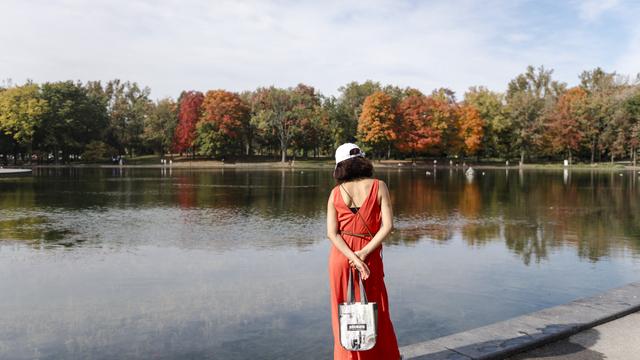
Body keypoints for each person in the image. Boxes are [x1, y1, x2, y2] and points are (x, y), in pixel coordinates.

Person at [326, 143, 400, 360]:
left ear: (340, 166)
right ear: (362, 161)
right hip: (370, 257)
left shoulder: (335, 193)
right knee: (377, 308)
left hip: (341, 258)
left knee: (343, 309)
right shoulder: (379, 186)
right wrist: (364, 253)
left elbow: (332, 233)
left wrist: (352, 258)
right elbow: (388, 226)